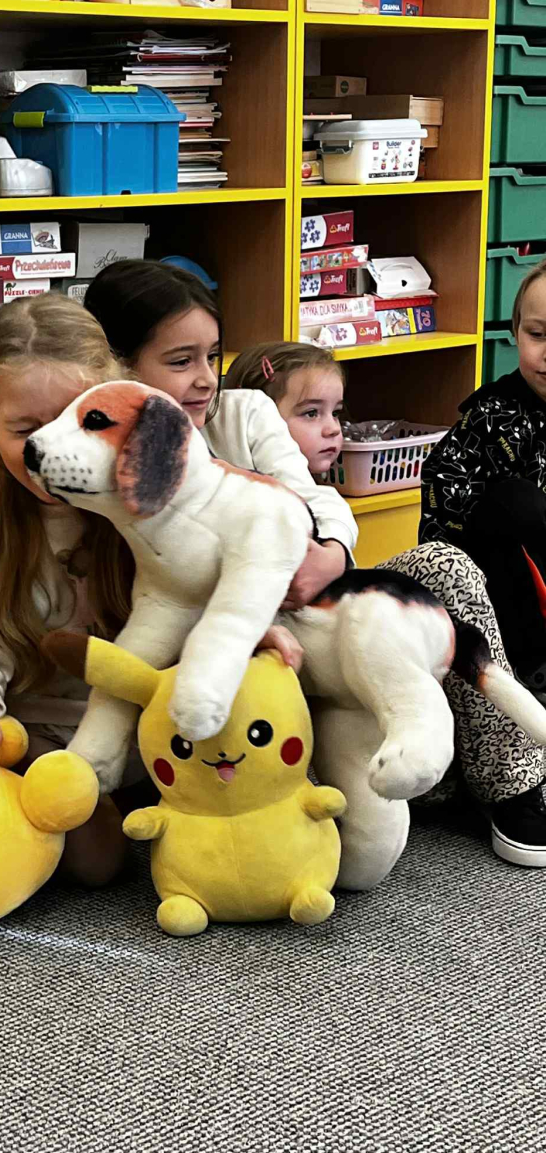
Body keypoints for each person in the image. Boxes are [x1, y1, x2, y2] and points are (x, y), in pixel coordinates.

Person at [228, 339, 546, 867]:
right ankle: (424, 782)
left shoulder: (323, 499)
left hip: (363, 662)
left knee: (443, 564)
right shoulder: (231, 498)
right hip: (303, 694)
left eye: (336, 413)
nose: (333, 429)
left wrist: (333, 553)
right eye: (310, 413)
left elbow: (337, 533)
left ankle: (510, 782)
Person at [0, 294, 138, 887]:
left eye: (77, 420)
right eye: (25, 430)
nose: (51, 451)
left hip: (142, 719)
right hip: (38, 728)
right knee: (96, 861)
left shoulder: (145, 487)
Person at [83, 261, 357, 609]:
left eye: (212, 356)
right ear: (115, 364)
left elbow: (313, 498)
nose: (208, 379)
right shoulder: (96, 454)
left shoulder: (245, 414)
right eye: (182, 361)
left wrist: (332, 556)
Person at [420, 257, 546, 701]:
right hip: (497, 583)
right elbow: (442, 487)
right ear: (515, 333)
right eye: (537, 335)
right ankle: (534, 667)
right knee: (517, 499)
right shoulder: (492, 415)